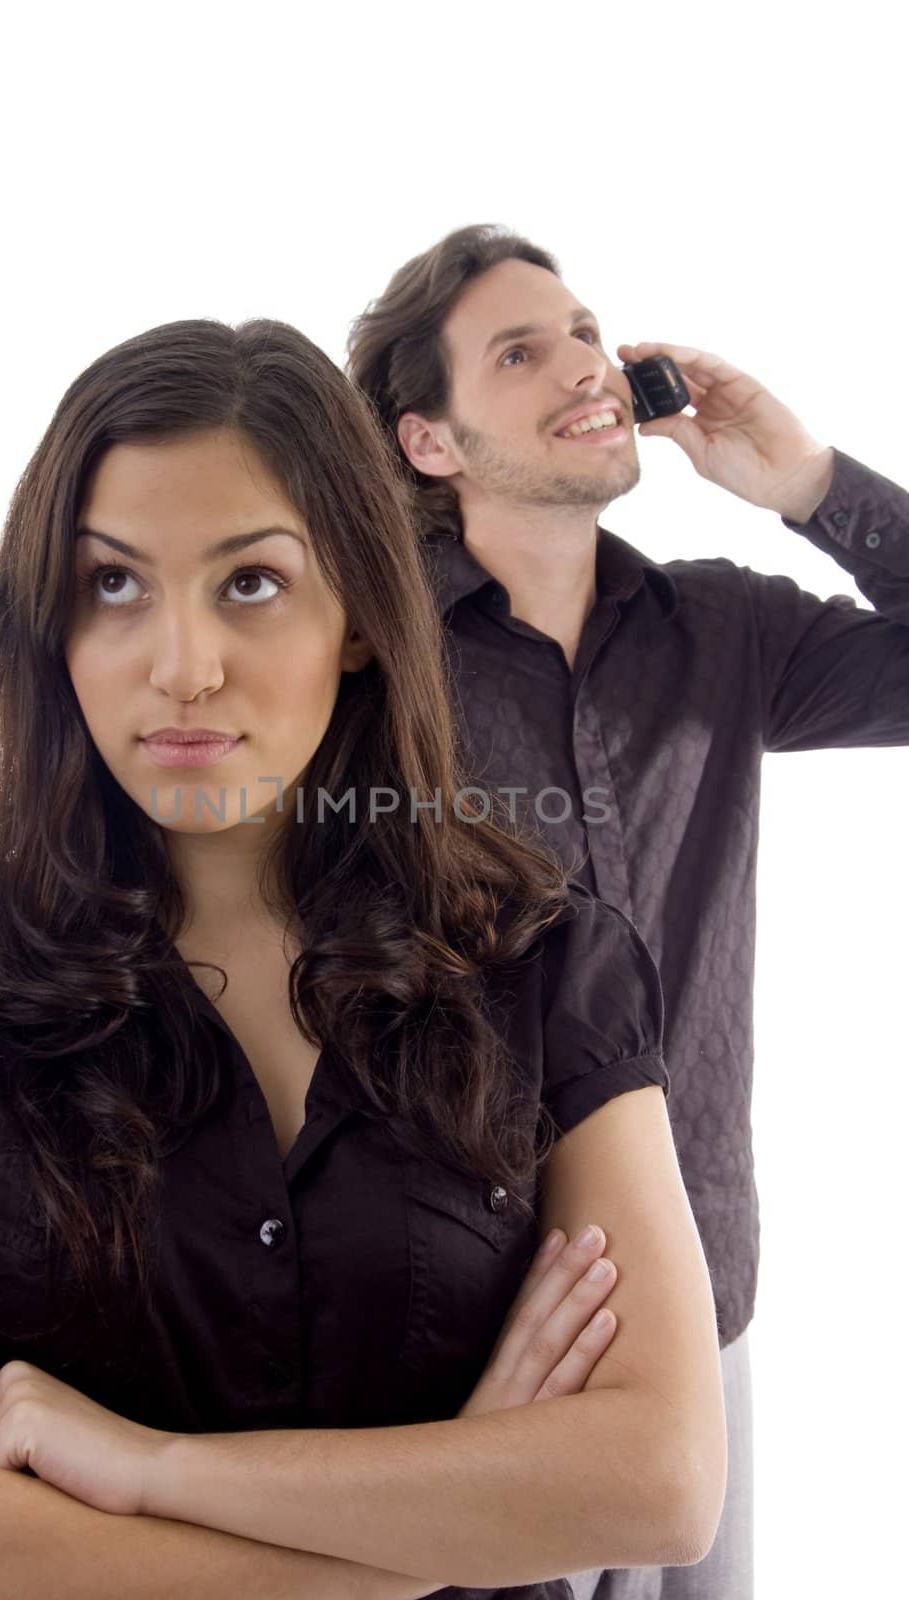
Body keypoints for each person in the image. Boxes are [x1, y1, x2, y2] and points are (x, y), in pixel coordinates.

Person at [0, 316, 726, 1600]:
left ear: (360, 616)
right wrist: (427, 1540)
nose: (182, 667)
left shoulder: (548, 964)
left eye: (249, 582)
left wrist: (146, 1468)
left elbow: (658, 1479)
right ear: (52, 624)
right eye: (114, 584)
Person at [345, 223, 909, 1600]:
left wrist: (814, 483)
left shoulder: (724, 635)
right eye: (521, 351)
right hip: (479, 1329)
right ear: (431, 443)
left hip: (705, 1298)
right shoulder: (362, 667)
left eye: (590, 332)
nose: (586, 366)